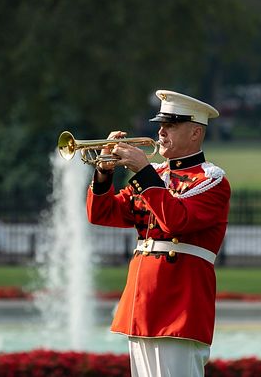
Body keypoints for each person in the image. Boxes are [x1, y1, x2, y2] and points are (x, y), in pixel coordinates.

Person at [87, 90, 230, 377]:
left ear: (195, 133)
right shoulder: (154, 176)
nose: (161, 132)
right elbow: (102, 214)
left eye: (172, 125)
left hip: (179, 305)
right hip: (142, 305)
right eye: (161, 125)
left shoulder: (210, 180)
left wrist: (143, 172)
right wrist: (103, 173)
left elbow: (176, 222)